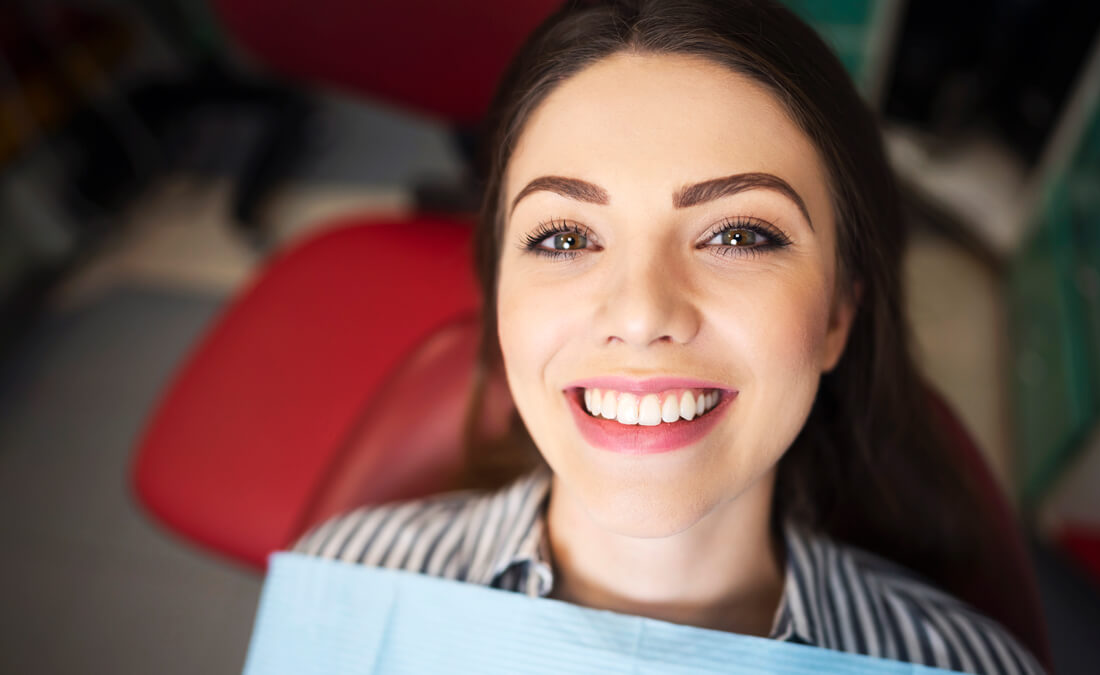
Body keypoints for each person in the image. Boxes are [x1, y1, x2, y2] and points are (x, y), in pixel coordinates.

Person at [293, 1, 1047, 672]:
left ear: (838, 316)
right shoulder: (351, 587)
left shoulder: (969, 665)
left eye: (741, 234)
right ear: (500, 299)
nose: (641, 312)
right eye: (563, 238)